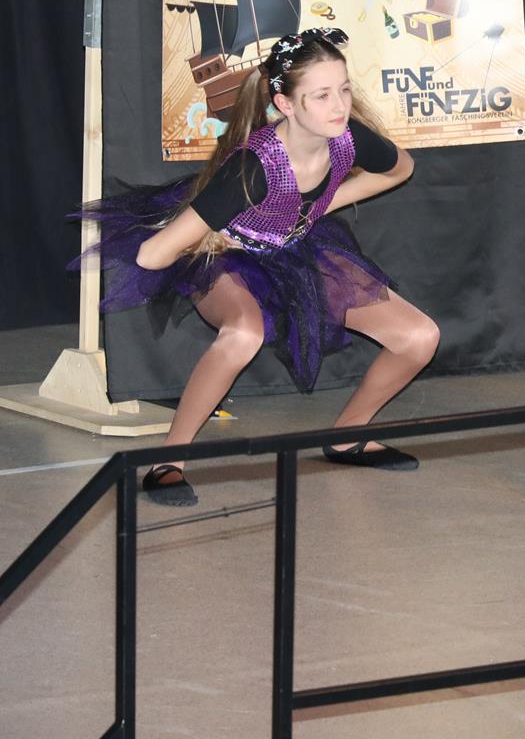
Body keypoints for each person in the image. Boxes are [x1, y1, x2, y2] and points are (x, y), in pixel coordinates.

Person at [75, 29, 437, 507]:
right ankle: (170, 457)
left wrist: (319, 207)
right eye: (322, 95)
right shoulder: (253, 167)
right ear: (285, 104)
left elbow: (401, 168)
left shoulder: (347, 137)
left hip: (295, 247)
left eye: (344, 89)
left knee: (419, 337)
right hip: (228, 258)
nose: (339, 106)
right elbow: (151, 255)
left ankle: (348, 435)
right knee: (244, 332)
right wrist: (208, 239)